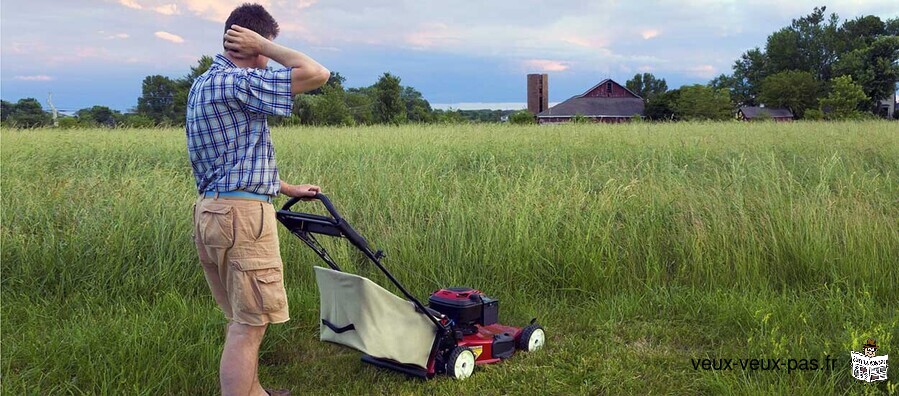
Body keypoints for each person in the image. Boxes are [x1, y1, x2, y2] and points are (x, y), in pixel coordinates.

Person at [186, 4, 330, 395]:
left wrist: (285, 187)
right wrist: (265, 45)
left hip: (214, 209)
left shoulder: (204, 83)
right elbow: (318, 74)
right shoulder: (235, 82)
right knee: (250, 324)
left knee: (243, 316)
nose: (268, 57)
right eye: (265, 46)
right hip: (242, 217)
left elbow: (230, 157)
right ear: (251, 43)